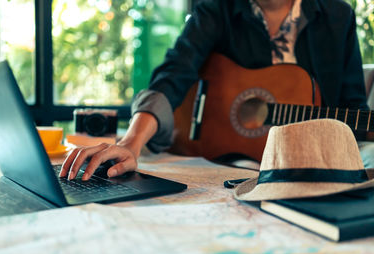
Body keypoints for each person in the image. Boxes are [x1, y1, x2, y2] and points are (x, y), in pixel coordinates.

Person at [59, 0, 370, 181]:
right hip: (227, 167)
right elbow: (174, 73)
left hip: (304, 169)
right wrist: (131, 142)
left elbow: (353, 107)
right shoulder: (217, 8)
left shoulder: (337, 15)